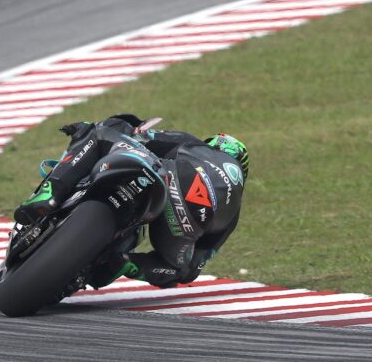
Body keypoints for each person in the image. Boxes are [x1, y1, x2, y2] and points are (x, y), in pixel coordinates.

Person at [13, 114, 248, 289]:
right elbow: (196, 264)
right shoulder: (233, 212)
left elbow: (140, 136)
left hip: (172, 181)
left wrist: (91, 129)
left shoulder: (195, 145)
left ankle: (50, 193)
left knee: (100, 131)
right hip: (189, 222)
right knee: (181, 270)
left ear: (216, 145)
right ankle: (125, 264)